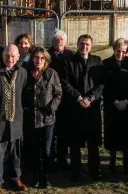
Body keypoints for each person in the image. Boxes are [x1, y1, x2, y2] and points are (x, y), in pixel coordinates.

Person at [0, 44, 29, 194]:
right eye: (7, 55)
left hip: (16, 120)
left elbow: (23, 94)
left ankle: (16, 178)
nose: (10, 59)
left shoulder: (22, 73)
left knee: (16, 152)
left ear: (18, 57)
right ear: (2, 57)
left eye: (13, 56)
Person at [60, 34, 104, 182]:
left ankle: (94, 171)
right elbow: (65, 83)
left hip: (92, 108)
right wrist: (79, 98)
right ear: (77, 44)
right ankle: (76, 172)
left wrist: (91, 98)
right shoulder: (68, 62)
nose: (84, 47)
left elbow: (101, 83)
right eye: (81, 44)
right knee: (75, 143)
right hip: (75, 108)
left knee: (93, 143)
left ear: (91, 46)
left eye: (87, 44)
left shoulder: (97, 61)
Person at [22, 47, 63, 188]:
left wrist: (51, 108)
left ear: (46, 60)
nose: (38, 60)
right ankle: (35, 176)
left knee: (46, 150)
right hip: (31, 119)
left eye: (41, 58)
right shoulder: (27, 74)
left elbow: (58, 94)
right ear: (32, 58)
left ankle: (45, 177)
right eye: (36, 57)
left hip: (47, 119)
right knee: (33, 149)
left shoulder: (51, 74)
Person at [102, 38, 128, 175]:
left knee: (126, 134)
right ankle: (112, 161)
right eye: (118, 51)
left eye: (124, 51)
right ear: (114, 49)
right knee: (112, 133)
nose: (121, 54)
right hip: (112, 105)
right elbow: (104, 86)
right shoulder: (106, 64)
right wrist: (114, 101)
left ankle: (125, 161)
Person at [47, 29, 74, 170]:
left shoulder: (71, 55)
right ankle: (49, 158)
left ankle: (62, 158)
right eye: (56, 40)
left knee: (63, 130)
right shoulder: (47, 55)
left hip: (66, 98)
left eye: (61, 40)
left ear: (66, 41)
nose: (59, 42)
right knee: (50, 129)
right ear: (52, 41)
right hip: (49, 97)